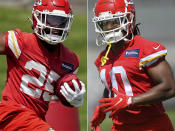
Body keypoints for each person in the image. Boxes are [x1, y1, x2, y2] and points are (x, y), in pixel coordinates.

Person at [0, 0, 85, 130]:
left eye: (61, 21)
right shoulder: (21, 42)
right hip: (12, 113)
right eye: (51, 20)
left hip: (35, 120)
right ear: (37, 18)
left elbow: (58, 98)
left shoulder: (71, 60)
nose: (56, 27)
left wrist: (73, 99)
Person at [90, 0, 175, 131]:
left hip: (151, 126)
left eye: (115, 21)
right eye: (105, 23)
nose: (110, 27)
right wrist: (103, 107)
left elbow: (169, 87)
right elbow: (113, 86)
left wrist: (130, 100)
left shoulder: (145, 49)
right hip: (119, 126)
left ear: (129, 19)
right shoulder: (103, 58)